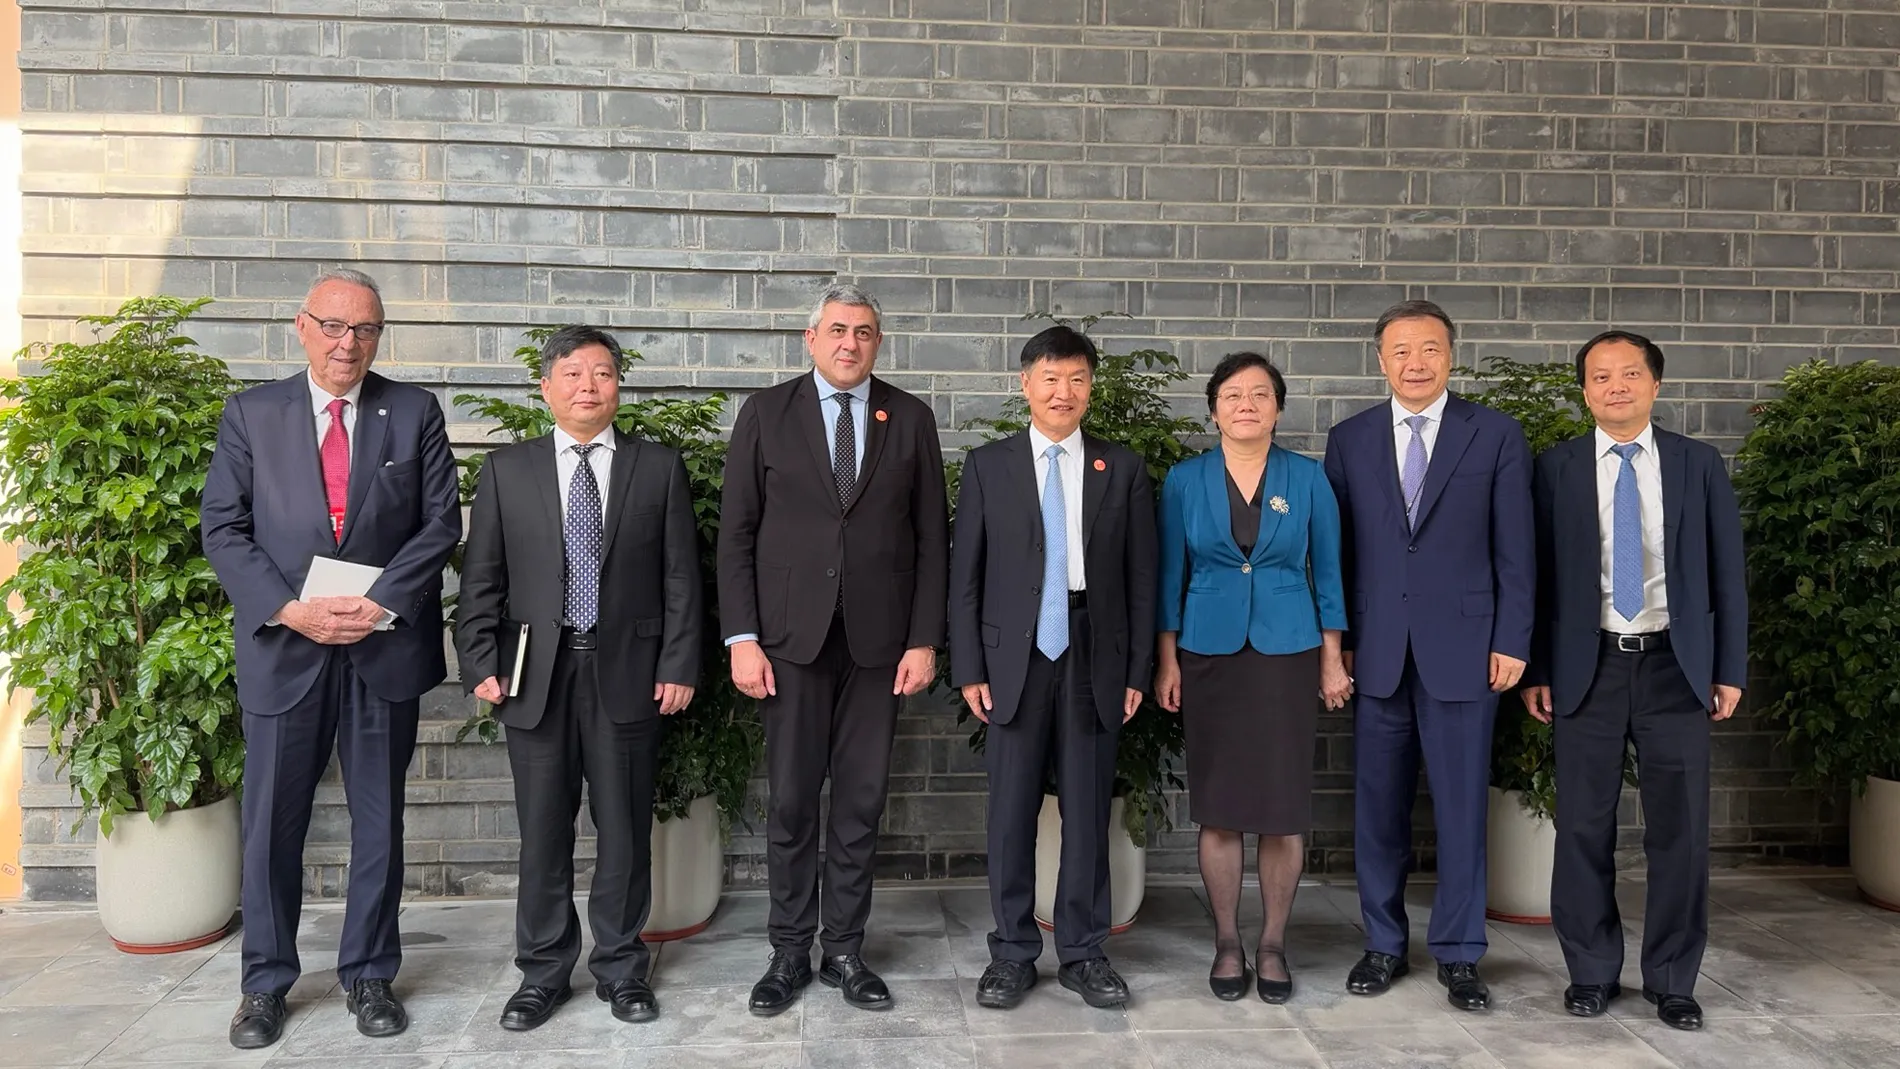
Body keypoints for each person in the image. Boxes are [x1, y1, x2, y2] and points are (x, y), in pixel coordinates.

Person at [201, 268, 461, 1049]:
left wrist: (378, 603)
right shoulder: (253, 413)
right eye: (335, 326)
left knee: (379, 819)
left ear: (380, 335)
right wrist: (290, 608)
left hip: (382, 645)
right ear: (302, 326)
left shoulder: (413, 410)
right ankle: (264, 983)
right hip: (287, 646)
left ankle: (370, 973)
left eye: (367, 329)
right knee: (271, 825)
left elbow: (440, 522)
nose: (350, 343)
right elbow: (223, 526)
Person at [455, 326, 703, 1031]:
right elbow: (481, 577)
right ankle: (542, 973)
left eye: (601, 373)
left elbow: (682, 577)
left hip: (630, 671)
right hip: (535, 674)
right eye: (572, 373)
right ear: (547, 387)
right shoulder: (509, 470)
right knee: (543, 832)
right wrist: (479, 661)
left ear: (618, 385)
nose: (588, 386)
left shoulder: (657, 468)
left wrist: (679, 662)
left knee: (624, 829)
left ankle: (622, 968)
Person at [716, 284, 948, 1016]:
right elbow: (736, 533)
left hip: (881, 645)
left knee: (860, 799)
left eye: (865, 332)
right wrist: (742, 637)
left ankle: (844, 948)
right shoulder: (766, 413)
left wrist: (924, 638)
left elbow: (932, 539)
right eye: (839, 330)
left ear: (879, 342)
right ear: (810, 338)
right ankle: (789, 948)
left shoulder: (909, 417)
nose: (851, 343)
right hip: (788, 641)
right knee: (791, 800)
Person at [1522, 331, 1746, 1032]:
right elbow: (1535, 576)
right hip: (1587, 666)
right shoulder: (1554, 468)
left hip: (1675, 666)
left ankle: (1673, 979)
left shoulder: (1696, 463)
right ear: (1584, 391)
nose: (1615, 386)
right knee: (1582, 826)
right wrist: (1537, 667)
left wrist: (1728, 667)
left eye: (1629, 374)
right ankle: (1591, 971)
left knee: (1680, 831)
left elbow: (1728, 571)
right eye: (1600, 376)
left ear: (1655, 384)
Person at [1321, 299, 1534, 1011]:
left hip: (1468, 651)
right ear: (1381, 359)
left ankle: (1460, 952)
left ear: (1451, 355)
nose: (1416, 363)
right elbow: (1338, 554)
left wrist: (1512, 638)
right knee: (1377, 811)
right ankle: (1383, 944)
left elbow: (1517, 547)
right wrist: (1340, 644)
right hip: (1377, 653)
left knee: (1463, 808)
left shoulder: (1495, 434)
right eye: (1402, 351)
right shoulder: (1349, 438)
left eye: (1430, 349)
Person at [949, 325, 1157, 1011]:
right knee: (1011, 811)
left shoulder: (1120, 468)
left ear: (1090, 387)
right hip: (1013, 656)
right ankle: (1011, 952)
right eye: (1050, 378)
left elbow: (1141, 578)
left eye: (1076, 379)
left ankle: (1083, 951)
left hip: (1094, 651)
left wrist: (1136, 670)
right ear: (1026, 384)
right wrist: (969, 665)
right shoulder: (990, 465)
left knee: (1088, 810)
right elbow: (965, 575)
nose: (1062, 391)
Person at [1154, 352, 1352, 1004]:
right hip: (1208, 652)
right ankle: (1226, 941)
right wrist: (1167, 659)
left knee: (1280, 807)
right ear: (1214, 409)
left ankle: (1271, 942)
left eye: (1260, 394)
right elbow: (1169, 577)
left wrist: (1332, 658)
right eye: (1233, 395)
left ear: (1278, 409)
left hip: (1287, 651)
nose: (1246, 405)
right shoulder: (1185, 480)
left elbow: (1329, 571)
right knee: (1219, 806)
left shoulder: (1308, 477)